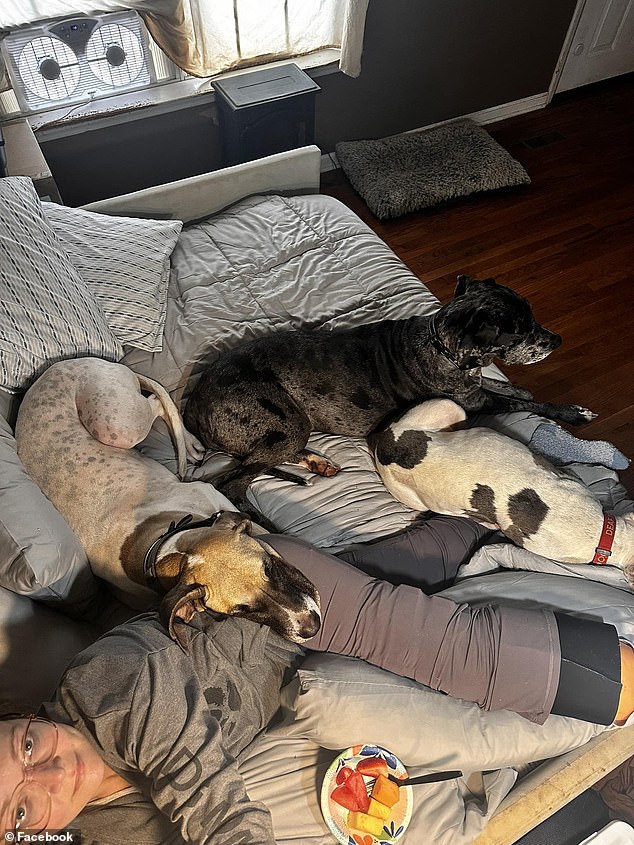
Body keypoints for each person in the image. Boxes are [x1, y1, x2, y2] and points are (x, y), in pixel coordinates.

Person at [1, 515, 633, 844]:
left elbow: (210, 804)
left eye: (28, 749)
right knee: (420, 565)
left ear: (25, 716)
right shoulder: (78, 832)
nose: (55, 775)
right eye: (24, 805)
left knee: (465, 651)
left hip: (265, 595)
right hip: (291, 664)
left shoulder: (104, 687)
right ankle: (456, 533)